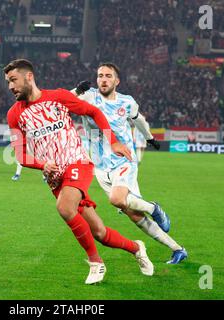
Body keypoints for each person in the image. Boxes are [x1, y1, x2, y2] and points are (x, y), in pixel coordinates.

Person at [4, 59, 154, 284]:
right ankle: (137, 248)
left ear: (29, 77)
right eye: (7, 82)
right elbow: (20, 154)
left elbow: (94, 112)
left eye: (13, 80)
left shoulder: (58, 97)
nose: (10, 87)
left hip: (77, 163)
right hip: (56, 178)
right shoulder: (14, 115)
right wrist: (42, 165)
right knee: (100, 233)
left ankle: (96, 263)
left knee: (65, 208)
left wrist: (112, 141)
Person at [73, 63, 187, 264]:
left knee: (117, 200)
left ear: (117, 81)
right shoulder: (89, 96)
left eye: (108, 76)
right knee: (134, 216)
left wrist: (149, 137)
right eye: (100, 76)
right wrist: (76, 90)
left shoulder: (127, 102)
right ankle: (178, 249)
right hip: (100, 167)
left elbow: (139, 120)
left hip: (123, 160)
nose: (103, 79)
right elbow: (58, 101)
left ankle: (154, 208)